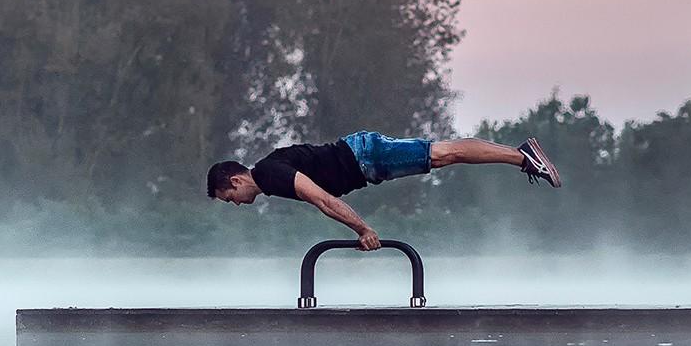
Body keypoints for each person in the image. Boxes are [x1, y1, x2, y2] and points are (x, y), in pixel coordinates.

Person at [207, 131, 560, 247]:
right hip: (366, 163)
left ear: (235, 181)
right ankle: (520, 156)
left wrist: (363, 229)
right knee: (442, 156)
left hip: (365, 155)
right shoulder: (270, 176)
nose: (235, 204)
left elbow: (324, 201)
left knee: (443, 154)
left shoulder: (269, 175)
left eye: (230, 198)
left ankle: (521, 156)